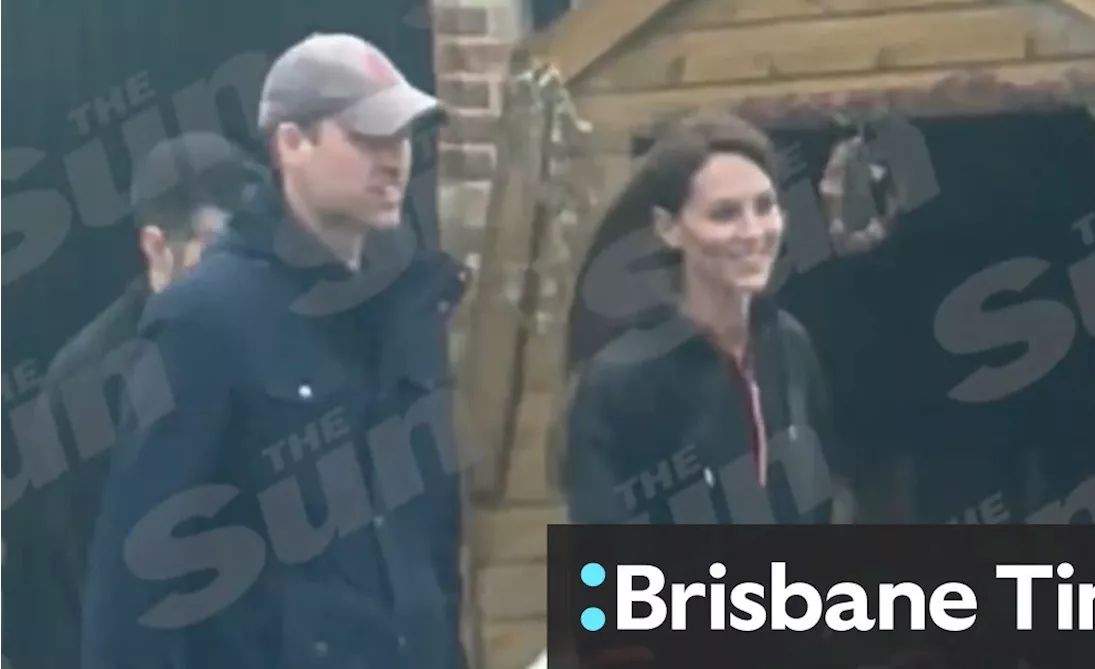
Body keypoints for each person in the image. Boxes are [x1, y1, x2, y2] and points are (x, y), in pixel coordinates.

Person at [81, 33, 468, 669]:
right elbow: (138, 575)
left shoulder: (407, 312)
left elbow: (429, 544)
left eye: (402, 137)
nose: (395, 160)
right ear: (292, 143)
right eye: (367, 137)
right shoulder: (204, 317)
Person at [2, 133, 253, 669]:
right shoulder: (91, 381)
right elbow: (76, 566)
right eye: (219, 249)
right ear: (156, 247)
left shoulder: (270, 339)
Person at [560, 112, 853, 526]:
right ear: (669, 228)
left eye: (765, 206)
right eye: (724, 214)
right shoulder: (620, 380)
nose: (753, 231)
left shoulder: (789, 346)